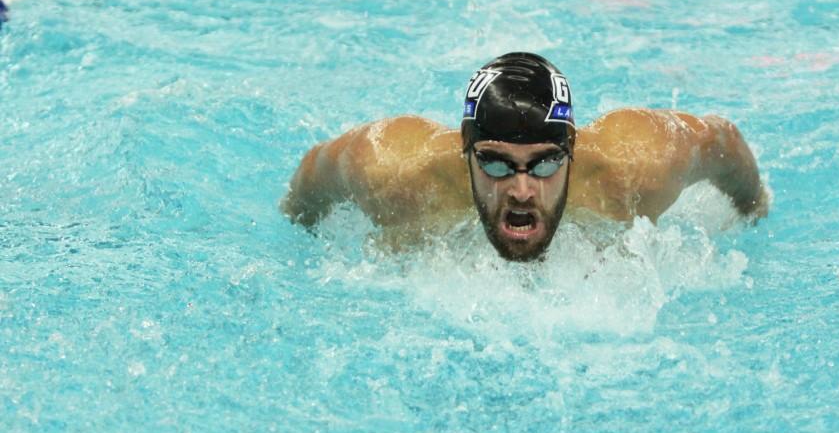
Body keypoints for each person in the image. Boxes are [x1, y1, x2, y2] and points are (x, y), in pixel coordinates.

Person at [282, 52, 768, 261]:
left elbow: (723, 142)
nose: (520, 189)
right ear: (464, 151)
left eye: (545, 164)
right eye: (494, 162)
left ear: (572, 152)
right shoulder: (393, 170)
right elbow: (312, 174)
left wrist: (753, 209)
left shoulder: (636, 165)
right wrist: (297, 229)